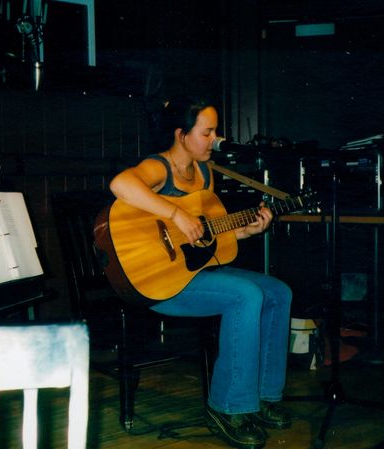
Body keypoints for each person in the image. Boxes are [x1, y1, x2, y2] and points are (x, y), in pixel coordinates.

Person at [108, 95, 293, 449]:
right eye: (207, 133)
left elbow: (208, 234)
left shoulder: (205, 173)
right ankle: (228, 407)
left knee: (278, 292)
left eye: (214, 132)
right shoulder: (159, 167)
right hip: (158, 281)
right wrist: (176, 214)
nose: (214, 139)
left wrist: (247, 230)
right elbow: (121, 185)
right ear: (181, 135)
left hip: (192, 274)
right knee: (246, 295)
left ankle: (265, 396)